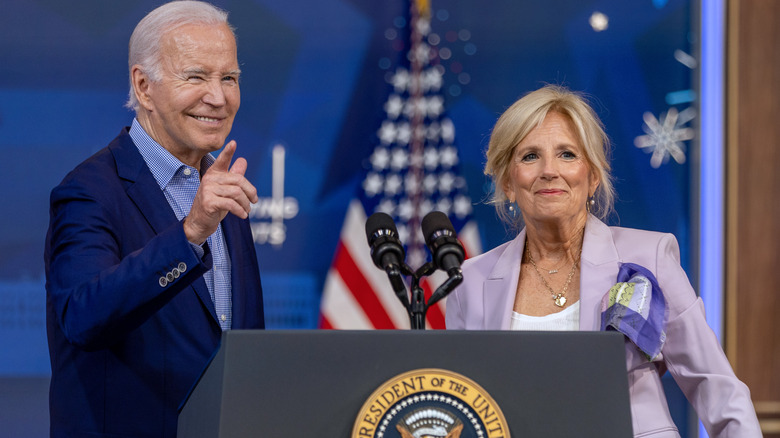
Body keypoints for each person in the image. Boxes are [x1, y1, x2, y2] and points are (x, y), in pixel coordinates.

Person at [445, 85, 761, 437]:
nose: (549, 170)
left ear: (592, 176)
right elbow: (463, 404)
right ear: (508, 182)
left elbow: (714, 386)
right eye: (530, 156)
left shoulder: (649, 257)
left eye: (567, 154)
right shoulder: (470, 282)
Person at [44, 2, 264, 436]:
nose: (218, 97)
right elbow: (83, 318)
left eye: (229, 78)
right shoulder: (89, 191)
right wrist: (190, 234)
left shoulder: (218, 182)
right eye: (196, 77)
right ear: (144, 87)